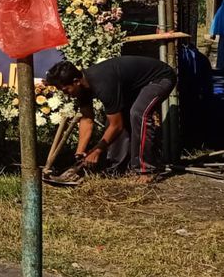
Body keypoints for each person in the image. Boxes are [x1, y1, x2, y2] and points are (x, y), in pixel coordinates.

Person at [43, 56, 176, 183]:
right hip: (136, 86)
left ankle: (146, 169)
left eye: (66, 90)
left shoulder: (102, 84)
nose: (66, 94)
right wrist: (80, 152)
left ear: (76, 81)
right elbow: (87, 120)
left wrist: (97, 151)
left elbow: (116, 125)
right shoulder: (82, 88)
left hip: (160, 78)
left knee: (138, 113)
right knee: (120, 115)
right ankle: (117, 169)